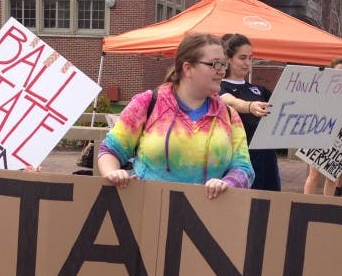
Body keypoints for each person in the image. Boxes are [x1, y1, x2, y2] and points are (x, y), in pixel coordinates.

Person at [97, 32, 253, 198]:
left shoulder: (229, 115)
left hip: (208, 217)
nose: (222, 71)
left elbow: (243, 168)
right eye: (215, 64)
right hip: (147, 213)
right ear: (188, 68)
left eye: (224, 65)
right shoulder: (148, 103)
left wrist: (228, 183)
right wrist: (113, 174)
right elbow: (110, 150)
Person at [218, 33, 277, 190]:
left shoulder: (258, 89)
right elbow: (228, 101)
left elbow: (289, 105)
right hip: (241, 159)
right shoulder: (220, 86)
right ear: (228, 59)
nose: (247, 63)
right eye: (242, 58)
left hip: (267, 158)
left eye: (250, 58)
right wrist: (250, 107)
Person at [304, 57, 342, 196]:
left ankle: (326, 206)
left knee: (332, 176)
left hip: (340, 136)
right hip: (320, 132)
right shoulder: (322, 88)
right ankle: (305, 203)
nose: (341, 74)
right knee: (314, 174)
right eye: (338, 71)